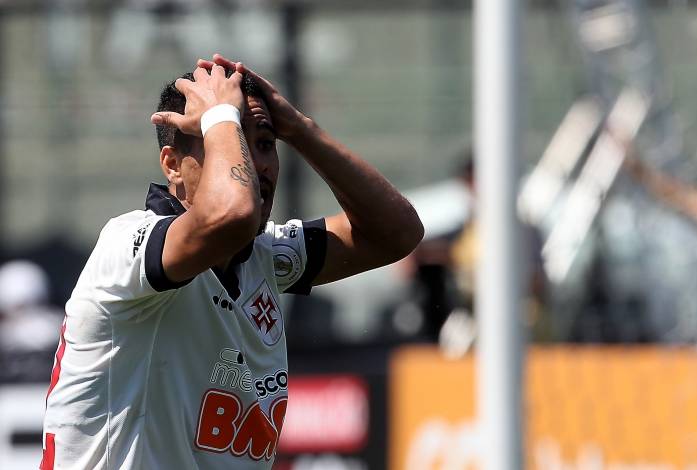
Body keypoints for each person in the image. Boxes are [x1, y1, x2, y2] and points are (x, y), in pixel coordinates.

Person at [41, 54, 423, 469]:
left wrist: (300, 130)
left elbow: (397, 232)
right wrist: (222, 116)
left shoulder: (263, 255)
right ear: (172, 165)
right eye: (231, 139)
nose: (257, 163)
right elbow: (232, 216)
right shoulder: (125, 245)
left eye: (265, 143)